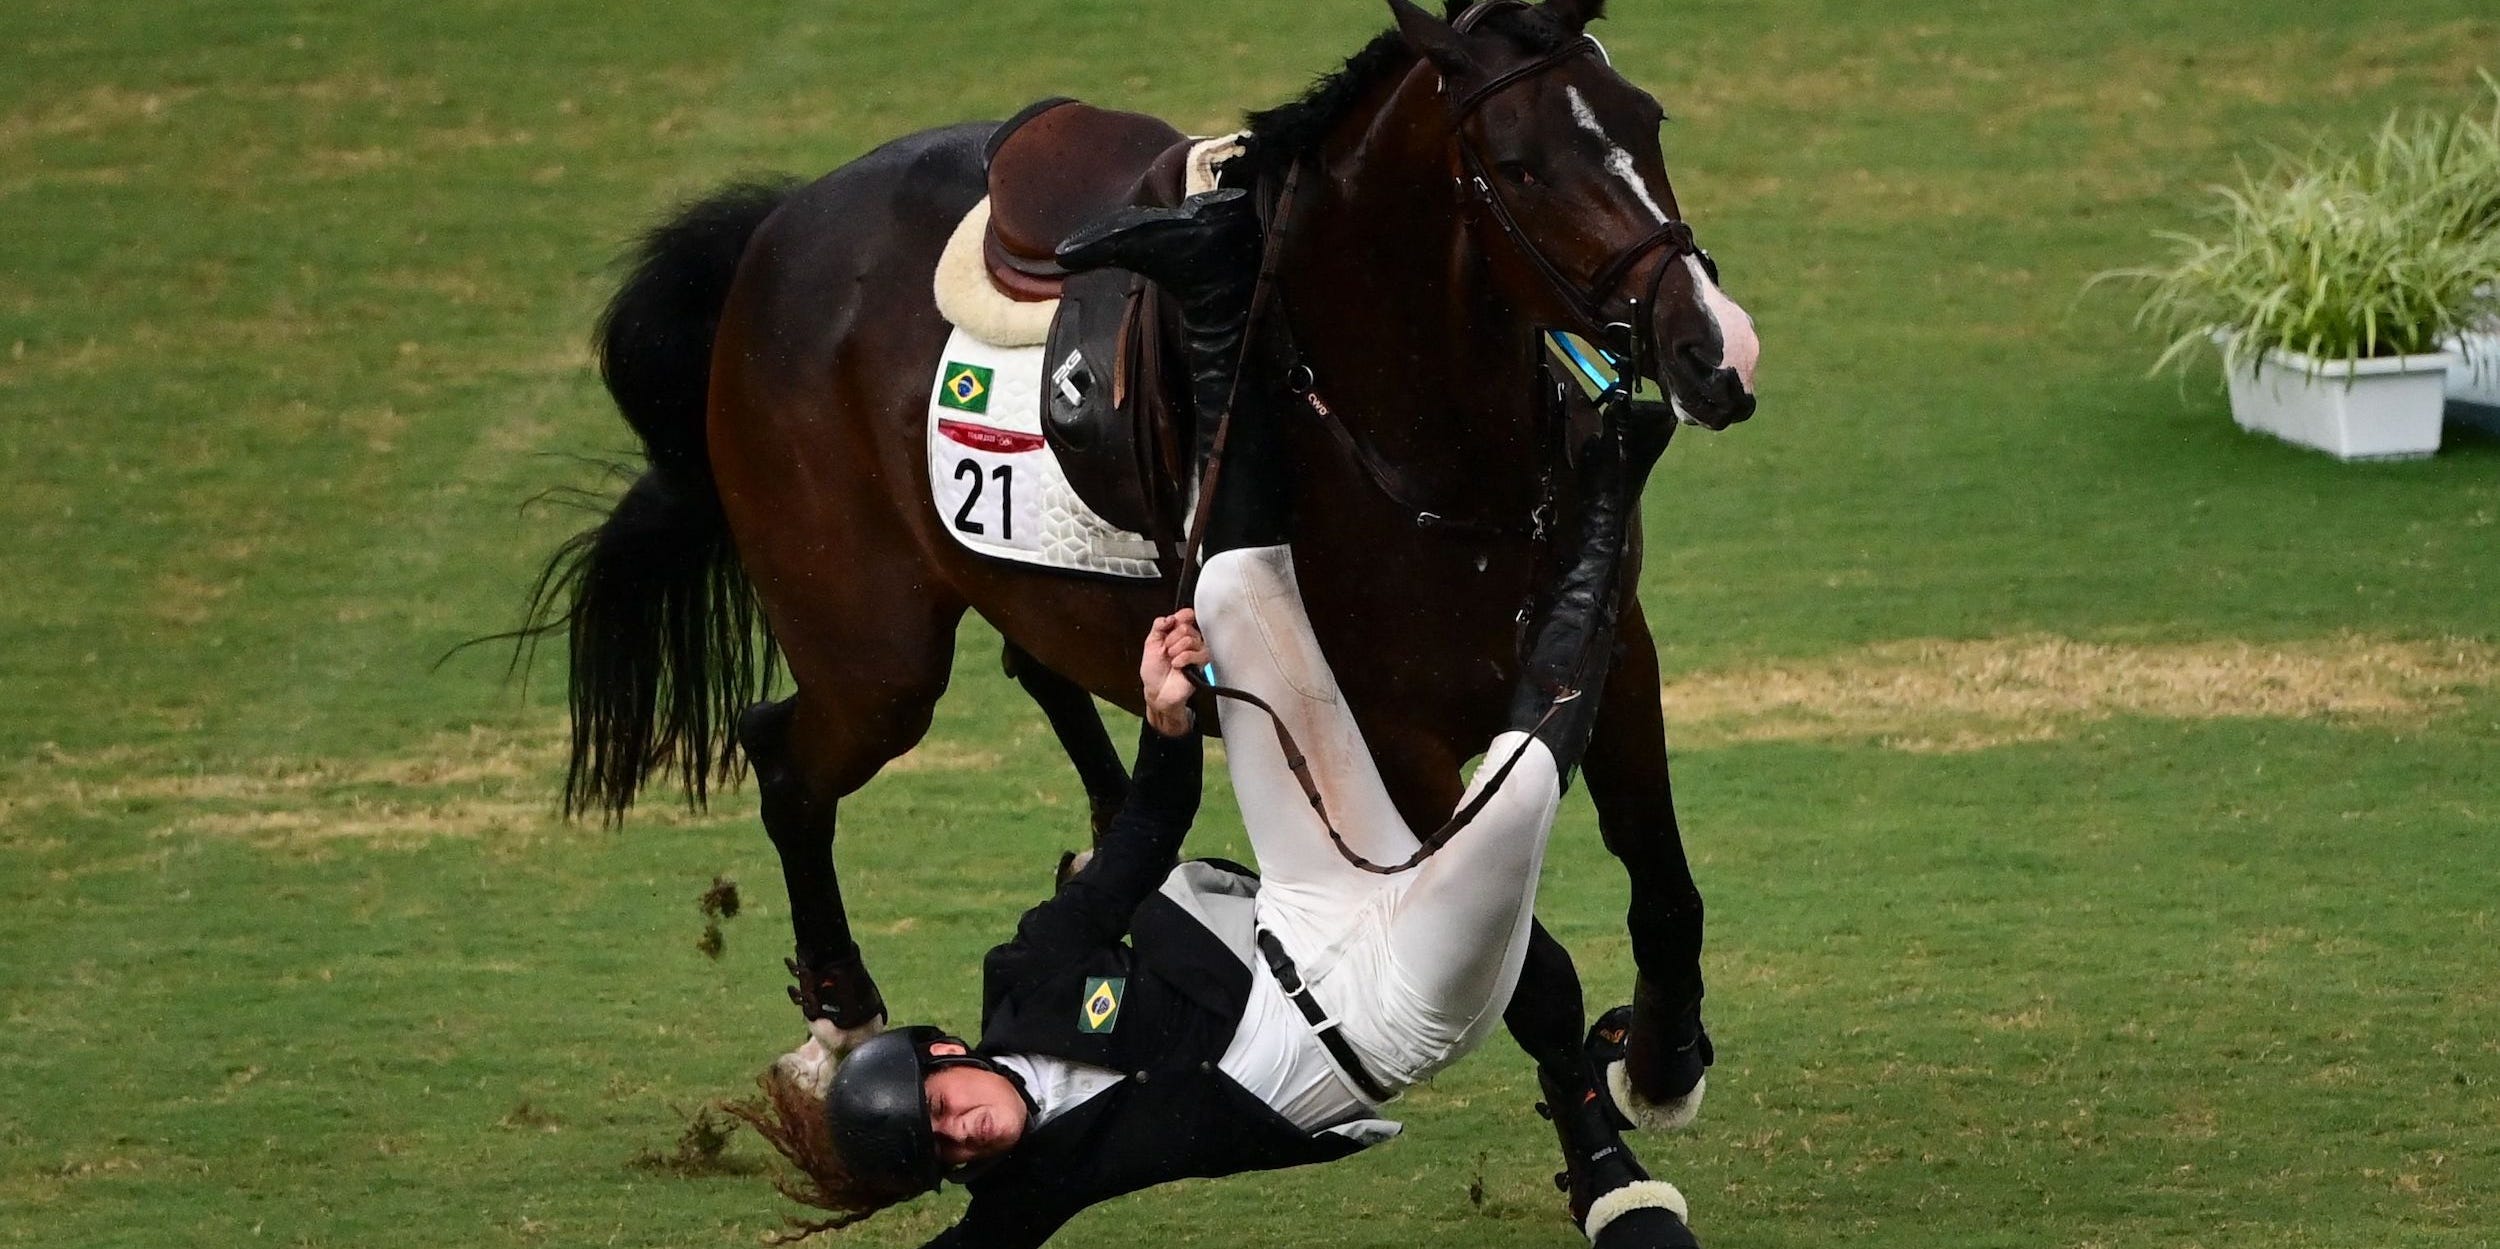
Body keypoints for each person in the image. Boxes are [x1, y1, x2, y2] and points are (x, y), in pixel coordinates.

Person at [730, 189, 1693, 1249]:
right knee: (1507, 805)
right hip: (1391, 1012)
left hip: (1306, 909)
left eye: (941, 1115)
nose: (966, 1138)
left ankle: (1218, 291)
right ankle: (1611, 482)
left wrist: (1162, 713)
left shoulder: (1031, 973)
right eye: (945, 1156)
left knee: (1232, 610)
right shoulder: (1028, 1185)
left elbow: (1144, 836)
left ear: (943, 1052)